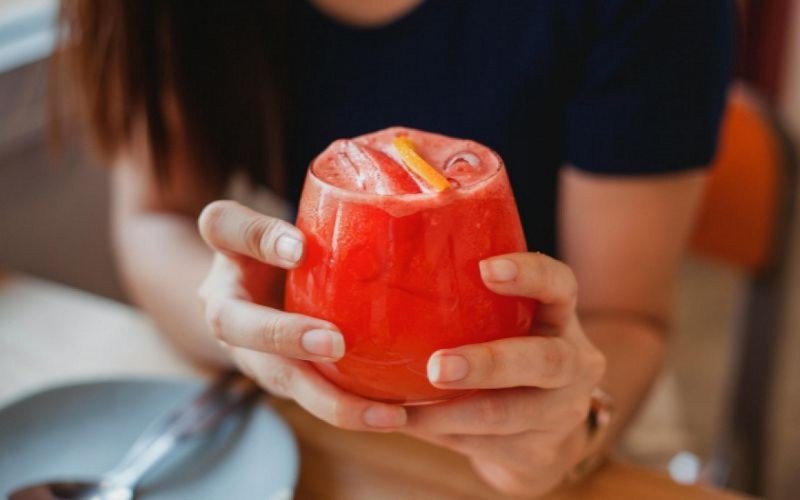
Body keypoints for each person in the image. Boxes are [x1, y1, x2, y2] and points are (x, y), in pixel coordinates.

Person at [57, 0, 734, 496]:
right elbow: (155, 219)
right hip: (304, 416)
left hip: (555, 382)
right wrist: (248, 326)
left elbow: (629, 316)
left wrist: (573, 431)